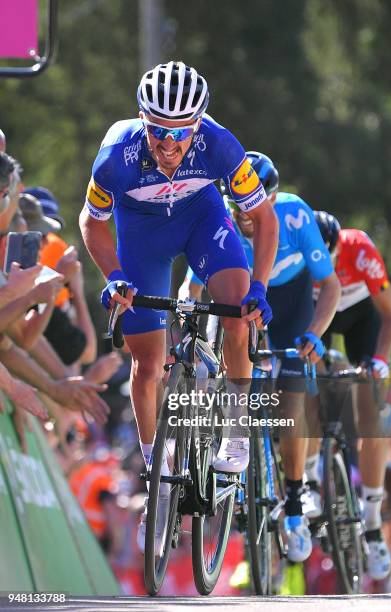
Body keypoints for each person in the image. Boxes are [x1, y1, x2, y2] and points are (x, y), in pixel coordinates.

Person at [79, 61, 279, 553]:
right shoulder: (115, 157)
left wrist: (260, 287)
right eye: (158, 133)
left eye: (180, 135)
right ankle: (157, 474)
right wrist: (116, 276)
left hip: (199, 219)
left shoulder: (221, 145)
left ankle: (234, 427)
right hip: (141, 236)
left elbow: (264, 219)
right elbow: (91, 222)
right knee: (147, 364)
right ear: (142, 122)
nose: (169, 146)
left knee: (236, 313)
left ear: (199, 126)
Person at [182, 152, 341, 562]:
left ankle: (292, 499)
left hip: (291, 303)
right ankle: (230, 445)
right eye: (237, 207)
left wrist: (314, 334)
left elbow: (330, 285)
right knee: (229, 359)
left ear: (270, 197)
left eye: (253, 206)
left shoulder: (294, 215)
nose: (245, 216)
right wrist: (189, 329)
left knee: (290, 397)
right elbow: (192, 287)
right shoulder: (222, 222)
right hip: (246, 300)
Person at [307, 212, 391, 580]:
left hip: (364, 318)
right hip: (320, 318)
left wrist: (379, 360)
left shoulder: (360, 250)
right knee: (304, 387)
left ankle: (373, 518)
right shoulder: (298, 255)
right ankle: (310, 481)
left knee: (370, 417)